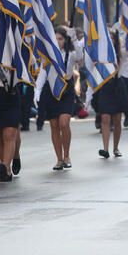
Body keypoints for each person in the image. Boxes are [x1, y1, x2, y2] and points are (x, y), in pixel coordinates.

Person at [36, 26, 82, 170]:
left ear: (65, 40)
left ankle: (67, 155)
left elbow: (80, 57)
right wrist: (37, 90)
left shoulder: (71, 53)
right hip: (51, 89)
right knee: (54, 125)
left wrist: (74, 38)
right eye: (55, 39)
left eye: (60, 39)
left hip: (66, 88)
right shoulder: (48, 55)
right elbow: (43, 73)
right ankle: (59, 159)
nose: (58, 41)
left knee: (64, 123)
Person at [92, 25, 128, 159]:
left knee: (117, 119)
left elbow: (127, 51)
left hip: (118, 86)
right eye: (108, 38)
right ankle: (105, 148)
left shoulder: (121, 53)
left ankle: (116, 147)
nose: (110, 40)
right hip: (105, 86)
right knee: (105, 118)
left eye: (112, 38)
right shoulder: (101, 53)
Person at [0, 58, 20, 183]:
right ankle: (2, 165)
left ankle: (7, 165)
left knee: (10, 132)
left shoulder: (13, 45)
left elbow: (31, 60)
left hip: (11, 91)